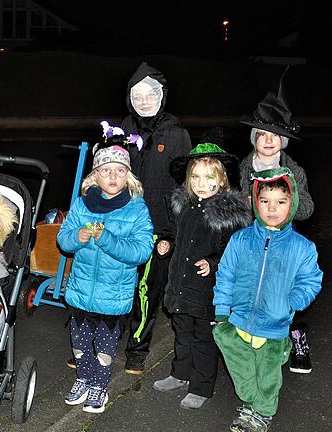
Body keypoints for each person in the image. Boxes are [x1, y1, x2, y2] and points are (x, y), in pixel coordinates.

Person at [213, 167, 323, 432]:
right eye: (265, 201)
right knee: (241, 369)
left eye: (280, 202)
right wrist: (221, 312)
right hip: (237, 319)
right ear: (255, 203)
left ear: (292, 204)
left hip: (274, 326)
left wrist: (292, 301)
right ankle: (251, 401)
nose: (272, 209)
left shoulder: (302, 247)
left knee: (268, 375)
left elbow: (310, 281)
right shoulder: (240, 240)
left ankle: (262, 411)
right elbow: (225, 274)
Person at [151, 139, 251, 410]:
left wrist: (213, 263)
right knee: (181, 333)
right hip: (181, 287)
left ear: (222, 180)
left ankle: (201, 387)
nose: (201, 183)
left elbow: (234, 254)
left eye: (209, 178)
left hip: (208, 293)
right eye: (195, 177)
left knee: (204, 340)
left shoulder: (227, 215)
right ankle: (180, 373)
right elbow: (172, 231)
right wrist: (166, 243)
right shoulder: (182, 206)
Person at [57, 145, 154, 413]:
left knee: (103, 348)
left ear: (129, 177)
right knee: (79, 344)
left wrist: (106, 239)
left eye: (120, 171)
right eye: (106, 170)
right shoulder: (82, 203)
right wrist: (77, 237)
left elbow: (142, 251)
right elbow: (63, 239)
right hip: (80, 291)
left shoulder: (136, 208)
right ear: (94, 176)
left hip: (113, 297)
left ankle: (100, 386)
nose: (113, 176)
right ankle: (84, 379)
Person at [116, 62, 192, 374]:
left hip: (158, 229)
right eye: (138, 95)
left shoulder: (177, 135)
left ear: (162, 97)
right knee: (117, 284)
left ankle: (137, 348)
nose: (144, 100)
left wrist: (171, 235)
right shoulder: (122, 132)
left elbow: (185, 189)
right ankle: (104, 339)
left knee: (146, 291)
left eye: (151, 94)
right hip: (122, 226)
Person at [238, 70, 315, 374]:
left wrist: (285, 201)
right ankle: (256, 343)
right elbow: (235, 207)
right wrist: (243, 205)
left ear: (283, 142)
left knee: (285, 297)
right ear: (254, 139)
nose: (268, 141)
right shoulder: (243, 169)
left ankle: (297, 337)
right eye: (262, 135)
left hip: (284, 247)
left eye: (274, 136)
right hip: (254, 246)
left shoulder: (294, 171)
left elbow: (307, 208)